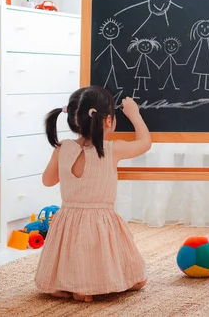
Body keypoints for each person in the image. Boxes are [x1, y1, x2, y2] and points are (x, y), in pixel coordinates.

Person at [34, 85, 151, 302]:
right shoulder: (112, 149)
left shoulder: (63, 147)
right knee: (138, 280)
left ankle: (72, 286)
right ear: (108, 121)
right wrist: (135, 115)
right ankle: (84, 288)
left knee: (76, 255)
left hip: (67, 221)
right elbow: (145, 143)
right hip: (100, 223)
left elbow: (47, 181)